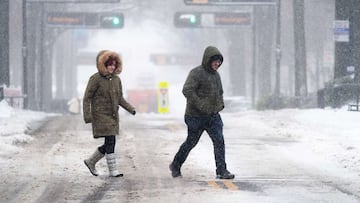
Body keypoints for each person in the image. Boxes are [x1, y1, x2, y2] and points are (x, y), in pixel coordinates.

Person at [169, 46, 235, 179]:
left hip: (213, 116)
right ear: (208, 60)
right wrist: (201, 104)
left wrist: (219, 105)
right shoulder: (196, 73)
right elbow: (187, 90)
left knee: (219, 141)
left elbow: (219, 92)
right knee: (191, 142)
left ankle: (221, 170)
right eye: (215, 61)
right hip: (195, 116)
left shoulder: (216, 76)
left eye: (219, 61)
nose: (217, 64)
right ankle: (176, 165)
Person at [83, 50, 136, 177]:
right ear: (104, 65)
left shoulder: (117, 80)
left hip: (112, 116)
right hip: (100, 115)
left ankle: (91, 161)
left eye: (114, 64)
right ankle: (113, 170)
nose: (112, 67)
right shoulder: (95, 79)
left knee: (109, 142)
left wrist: (130, 108)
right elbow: (87, 98)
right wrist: (88, 115)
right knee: (111, 140)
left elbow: (120, 98)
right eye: (109, 64)